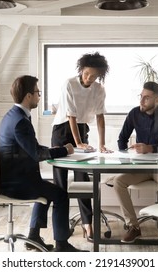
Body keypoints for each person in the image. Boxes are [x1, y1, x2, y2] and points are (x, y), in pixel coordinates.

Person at [0, 75, 87, 252]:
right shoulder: (20, 122)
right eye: (38, 92)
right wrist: (65, 150)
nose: (39, 96)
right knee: (60, 195)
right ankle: (62, 245)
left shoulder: (13, 115)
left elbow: (32, 148)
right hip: (16, 184)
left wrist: (53, 149)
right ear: (28, 96)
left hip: (14, 178)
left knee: (46, 189)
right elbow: (38, 154)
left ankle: (33, 237)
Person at [51, 52, 113, 241]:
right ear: (81, 69)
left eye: (93, 76)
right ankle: (60, 232)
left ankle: (88, 225)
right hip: (62, 130)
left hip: (82, 128)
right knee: (60, 184)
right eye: (87, 74)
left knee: (82, 179)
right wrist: (78, 143)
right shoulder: (69, 84)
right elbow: (71, 116)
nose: (89, 78)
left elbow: (100, 116)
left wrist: (101, 144)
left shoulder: (99, 89)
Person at [111, 81, 158, 243]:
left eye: (146, 98)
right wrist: (125, 158)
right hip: (140, 166)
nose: (141, 101)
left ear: (157, 99)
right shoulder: (134, 113)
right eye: (141, 97)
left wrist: (150, 148)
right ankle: (133, 226)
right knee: (118, 181)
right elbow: (122, 139)